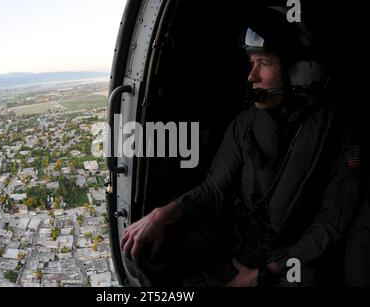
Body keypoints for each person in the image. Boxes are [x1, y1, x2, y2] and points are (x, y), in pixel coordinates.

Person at [121, 7, 361, 287]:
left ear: (300, 73)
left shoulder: (340, 135)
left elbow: (330, 224)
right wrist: (163, 214)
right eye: (252, 62)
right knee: (140, 249)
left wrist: (263, 274)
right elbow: (213, 190)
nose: (252, 76)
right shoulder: (246, 125)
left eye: (264, 63)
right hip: (243, 240)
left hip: (293, 257)